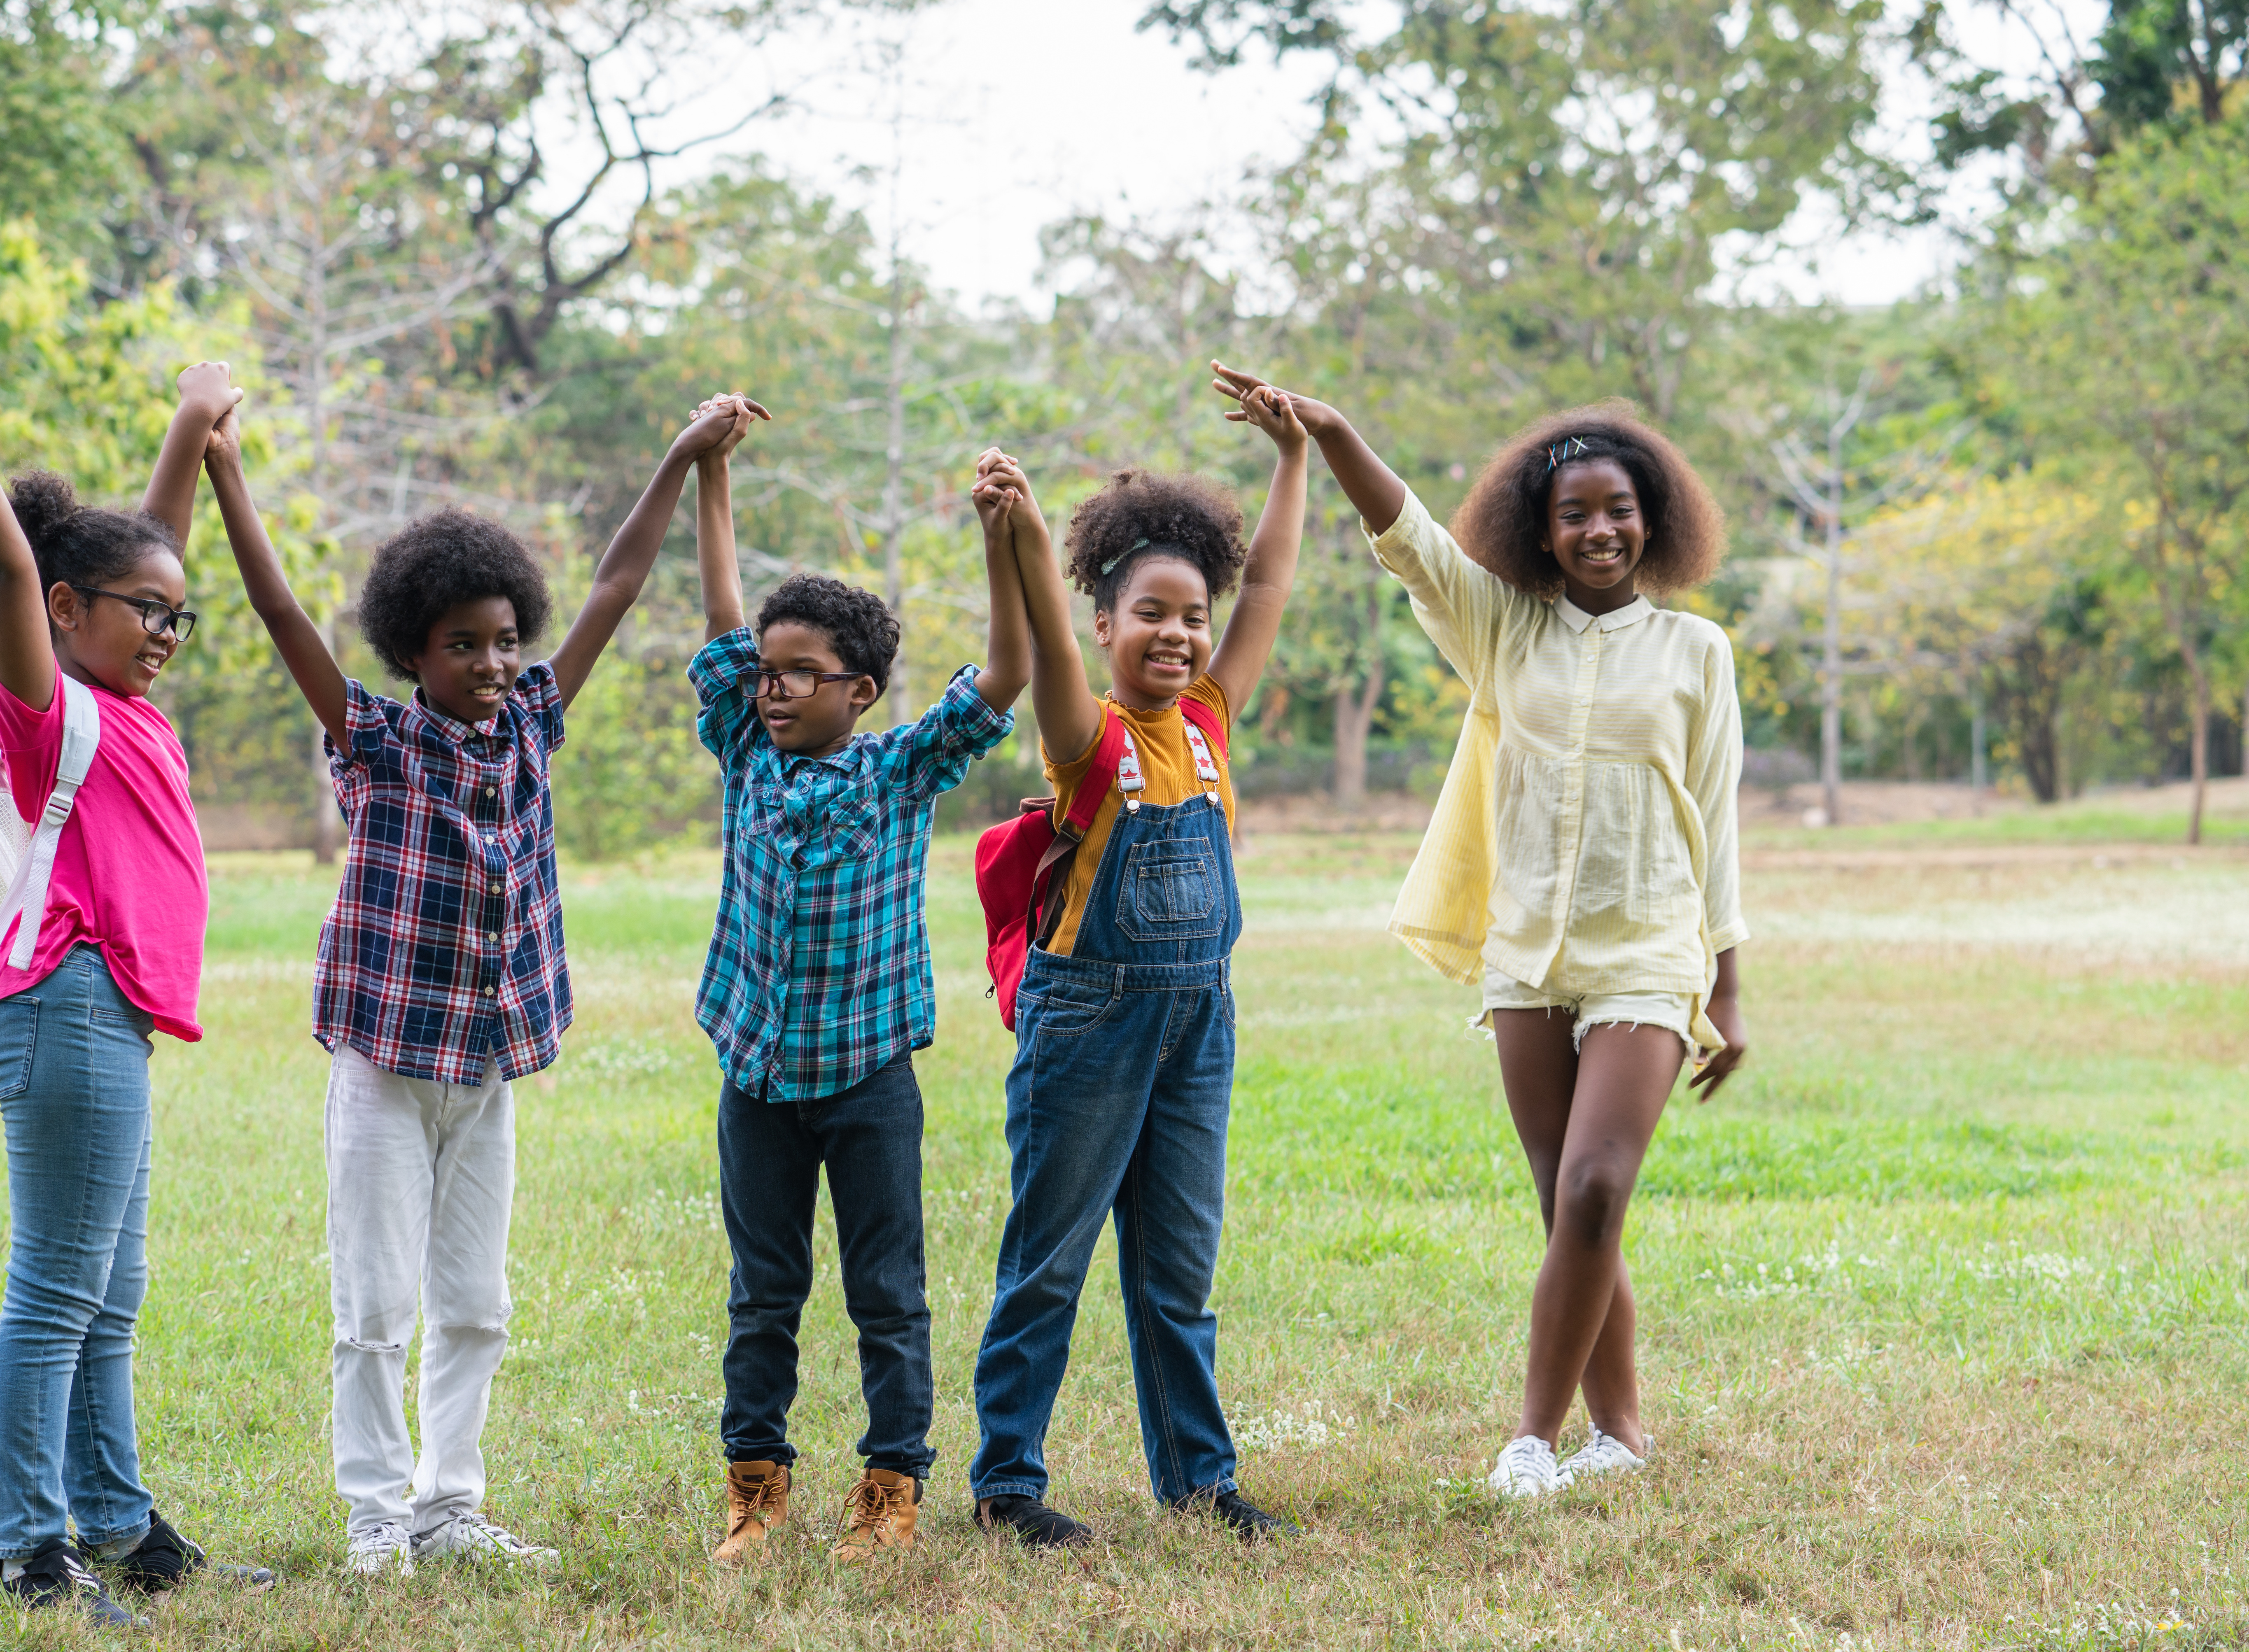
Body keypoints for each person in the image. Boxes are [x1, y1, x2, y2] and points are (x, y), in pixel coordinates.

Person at [205, 390, 761, 1577]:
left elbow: (614, 585)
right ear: (414, 651)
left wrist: (674, 454)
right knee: (375, 1308)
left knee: (475, 1301)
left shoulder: (530, 724)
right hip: (387, 1067)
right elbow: (279, 610)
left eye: (507, 638)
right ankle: (375, 1513)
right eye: (465, 643)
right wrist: (228, 476)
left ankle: (450, 1505)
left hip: (489, 1066)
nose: (494, 662)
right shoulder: (377, 741)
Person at [1224, 368, 1747, 1500]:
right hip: (1526, 957)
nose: (1599, 529)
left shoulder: (1697, 652)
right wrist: (1335, 430)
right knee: (1565, 1196)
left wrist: (1731, 986)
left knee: (1599, 1187)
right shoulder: (1502, 626)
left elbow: (1718, 819)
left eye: (1618, 510)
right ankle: (1624, 1432)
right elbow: (1407, 536)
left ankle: (1531, 1438)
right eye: (1575, 515)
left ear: (1651, 519)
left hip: (1650, 950)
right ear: (1543, 534)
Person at [0, 302, 270, 1624]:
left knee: (110, 1286)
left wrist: (190, 429)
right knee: (58, 1285)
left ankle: (120, 1520)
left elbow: (142, 558)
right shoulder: (48, 712)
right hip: (67, 999)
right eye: (143, 614)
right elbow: (7, 571)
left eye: (180, 619)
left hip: (109, 1018)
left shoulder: (125, 696)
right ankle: (28, 1551)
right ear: (67, 610)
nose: (164, 630)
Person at [962, 366, 1311, 1550]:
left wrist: (1293, 461)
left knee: (1179, 1272)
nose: (1179, 631)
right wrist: (1013, 534)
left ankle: (1199, 1480)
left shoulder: (1210, 718)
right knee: (1048, 1261)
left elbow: (1265, 578)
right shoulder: (1085, 735)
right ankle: (1008, 1481)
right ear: (1105, 625)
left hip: (1195, 1020)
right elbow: (1050, 649)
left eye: (1192, 615)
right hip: (1088, 1021)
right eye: (1150, 613)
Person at [688, 398, 1029, 1563]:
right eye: (768, 675)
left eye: (801, 674)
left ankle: (892, 1486)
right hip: (759, 1074)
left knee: (889, 1289)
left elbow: (1009, 670)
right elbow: (725, 612)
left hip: (871, 1078)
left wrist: (1002, 536)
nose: (773, 689)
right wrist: (709, 475)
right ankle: (756, 1483)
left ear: (860, 692)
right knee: (763, 1292)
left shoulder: (901, 771)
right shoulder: (743, 748)